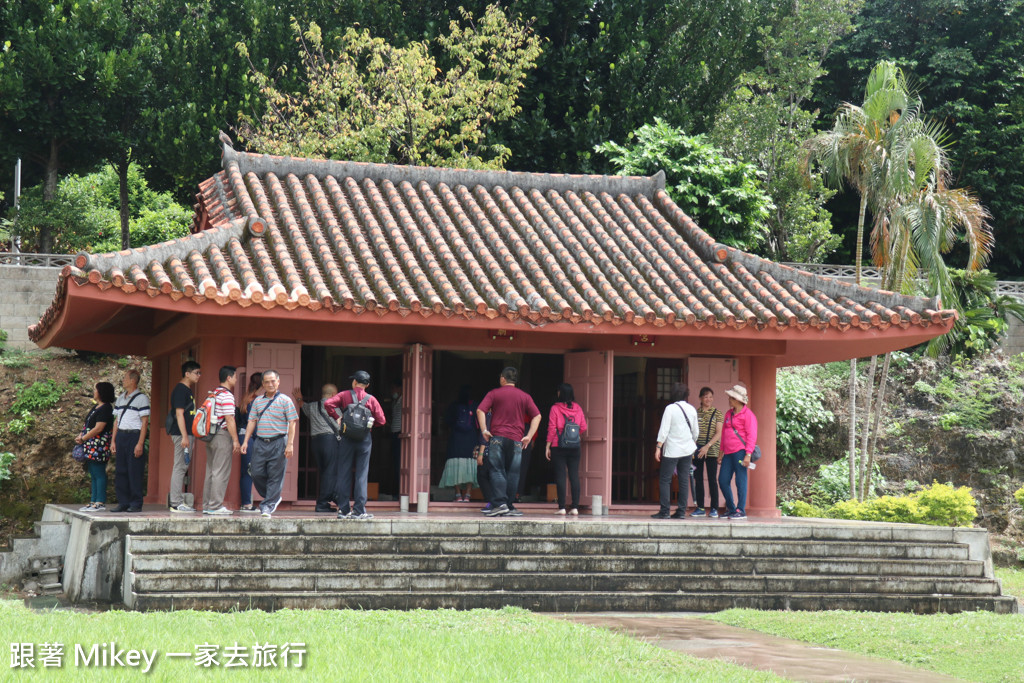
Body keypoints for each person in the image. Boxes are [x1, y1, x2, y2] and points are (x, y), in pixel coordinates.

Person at [476, 367, 541, 517]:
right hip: (517, 440)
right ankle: (510, 506)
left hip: (497, 437)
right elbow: (537, 416)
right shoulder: (524, 396)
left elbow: (480, 410)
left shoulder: (494, 393)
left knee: (497, 471)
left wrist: (484, 430)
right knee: (513, 473)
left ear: (503, 379)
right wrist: (529, 436)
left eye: (500, 377)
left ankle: (500, 504)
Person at [325, 371, 387, 520]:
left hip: (347, 437)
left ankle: (344, 510)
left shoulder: (345, 395)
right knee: (361, 474)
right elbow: (382, 420)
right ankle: (359, 510)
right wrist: (368, 426)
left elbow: (328, 404)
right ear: (367, 385)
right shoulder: (371, 399)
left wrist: (338, 417)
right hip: (364, 439)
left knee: (344, 472)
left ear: (354, 382)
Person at [240, 370, 299, 518]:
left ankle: (267, 506)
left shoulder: (285, 400)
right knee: (255, 471)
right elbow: (252, 421)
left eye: (273, 381)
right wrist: (246, 441)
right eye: (266, 382)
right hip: (260, 442)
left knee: (275, 474)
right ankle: (272, 496)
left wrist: (290, 444)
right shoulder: (257, 401)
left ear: (278, 382)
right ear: (263, 384)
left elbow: (292, 423)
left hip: (279, 441)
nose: (270, 384)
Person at [652, 383, 699, 519]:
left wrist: (658, 447)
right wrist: (691, 443)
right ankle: (681, 511)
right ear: (686, 394)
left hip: (672, 449)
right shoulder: (691, 409)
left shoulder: (670, 408)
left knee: (665, 479)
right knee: (684, 479)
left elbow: (664, 429)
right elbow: (696, 432)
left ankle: (665, 510)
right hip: (687, 450)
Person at [293, 383, 342, 513]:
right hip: (329, 441)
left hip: (316, 442)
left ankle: (330, 498)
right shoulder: (333, 407)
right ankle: (324, 501)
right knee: (330, 472)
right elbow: (339, 425)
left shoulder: (313, 406)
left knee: (325, 472)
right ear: (332, 395)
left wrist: (299, 398)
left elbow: (303, 406)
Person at [110, 369, 150, 513]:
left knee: (134, 470)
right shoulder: (120, 398)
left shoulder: (142, 399)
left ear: (133, 380)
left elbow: (144, 423)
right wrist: (113, 441)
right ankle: (123, 502)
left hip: (134, 435)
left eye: (126, 378)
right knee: (120, 470)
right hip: (121, 435)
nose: (123, 380)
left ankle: (136, 503)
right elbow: (116, 421)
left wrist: (140, 443)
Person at [201, 366, 240, 515]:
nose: (236, 380)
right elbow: (229, 419)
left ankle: (207, 504)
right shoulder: (227, 396)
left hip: (210, 435)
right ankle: (215, 506)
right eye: (235, 377)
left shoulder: (213, 393)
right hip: (222, 435)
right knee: (221, 471)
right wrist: (235, 440)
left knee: (210, 471)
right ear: (229, 378)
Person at [545, 383, 588, 515]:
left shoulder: (555, 408)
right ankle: (575, 507)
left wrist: (548, 446)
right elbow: (583, 427)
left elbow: (552, 428)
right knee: (574, 475)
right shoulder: (578, 408)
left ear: (560, 393)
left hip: (559, 446)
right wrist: (574, 436)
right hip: (575, 447)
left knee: (561, 475)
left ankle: (562, 507)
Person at [719, 384, 758, 521]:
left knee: (740, 481)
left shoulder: (748, 415)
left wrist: (748, 454)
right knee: (722, 480)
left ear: (737, 399)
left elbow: (751, 436)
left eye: (731, 397)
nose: (729, 399)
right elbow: (724, 433)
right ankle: (731, 508)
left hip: (741, 452)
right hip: (728, 453)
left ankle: (740, 510)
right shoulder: (728, 414)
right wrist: (721, 452)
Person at [77, 382, 116, 512]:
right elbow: (87, 424)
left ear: (101, 392)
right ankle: (93, 500)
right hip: (90, 443)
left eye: (96, 390)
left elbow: (99, 428)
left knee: (99, 472)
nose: (94, 392)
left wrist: (84, 438)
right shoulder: (96, 407)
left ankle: (100, 501)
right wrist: (81, 435)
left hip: (99, 444)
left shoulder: (106, 408)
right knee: (93, 472)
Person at [168, 361, 200, 513]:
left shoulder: (187, 390)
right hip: (182, 434)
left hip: (187, 433)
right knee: (180, 467)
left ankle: (176, 501)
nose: (199, 376)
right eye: (196, 373)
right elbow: (179, 414)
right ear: (187, 373)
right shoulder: (181, 390)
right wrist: (185, 436)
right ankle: (176, 502)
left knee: (182, 466)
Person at [439, 386, 479, 502]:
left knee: (455, 465)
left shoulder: (453, 406)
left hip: (456, 439)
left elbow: (447, 421)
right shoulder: (475, 405)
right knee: (470, 466)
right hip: (471, 439)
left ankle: (457, 495)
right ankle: (468, 495)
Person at [691, 386, 724, 518]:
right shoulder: (696, 413)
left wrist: (707, 446)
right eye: (705, 396)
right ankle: (700, 507)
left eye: (710, 396)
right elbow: (693, 431)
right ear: (700, 398)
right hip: (698, 450)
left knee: (712, 479)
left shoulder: (717, 413)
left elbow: (719, 433)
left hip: (712, 450)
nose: (708, 399)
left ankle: (714, 508)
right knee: (698, 478)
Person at [237, 372, 263, 512]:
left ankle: (245, 502)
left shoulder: (247, 398)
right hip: (250, 437)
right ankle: (246, 504)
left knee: (245, 471)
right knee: (249, 470)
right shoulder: (256, 400)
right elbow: (252, 422)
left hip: (243, 436)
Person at [388, 378, 403, 496]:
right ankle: (394, 490)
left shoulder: (404, 401)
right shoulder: (395, 401)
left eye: (393, 388)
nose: (392, 391)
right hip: (394, 433)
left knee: (400, 462)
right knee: (394, 462)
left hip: (400, 434)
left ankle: (400, 491)